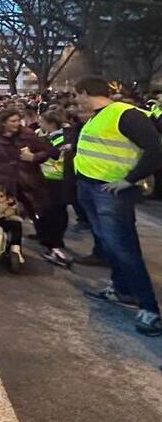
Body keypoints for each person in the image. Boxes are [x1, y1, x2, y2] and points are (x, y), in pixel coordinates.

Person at [73, 76, 161, 336]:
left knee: (124, 249)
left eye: (78, 95)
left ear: (86, 93)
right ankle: (121, 288)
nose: (76, 101)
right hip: (93, 187)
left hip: (110, 191)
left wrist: (130, 179)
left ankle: (149, 309)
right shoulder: (100, 115)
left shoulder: (124, 113)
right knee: (110, 244)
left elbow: (154, 147)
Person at [35, 109, 71, 267]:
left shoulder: (61, 139)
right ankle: (45, 238)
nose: (39, 124)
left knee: (56, 213)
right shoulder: (45, 135)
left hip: (56, 180)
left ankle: (55, 243)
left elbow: (53, 154)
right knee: (44, 211)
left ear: (50, 124)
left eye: (42, 121)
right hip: (45, 179)